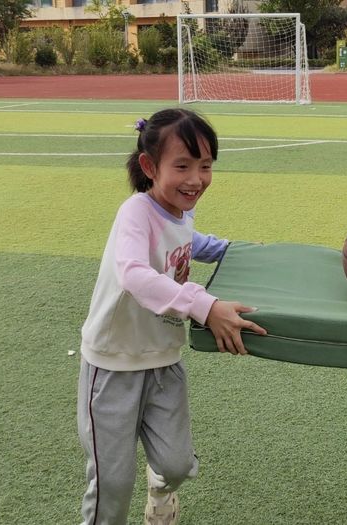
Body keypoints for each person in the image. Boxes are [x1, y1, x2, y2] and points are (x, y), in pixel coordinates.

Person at [77, 108, 266, 525]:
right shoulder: (135, 212)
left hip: (164, 360)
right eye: (182, 166)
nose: (196, 179)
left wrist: (231, 250)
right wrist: (205, 305)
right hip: (113, 366)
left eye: (205, 166)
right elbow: (133, 273)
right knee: (113, 484)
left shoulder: (180, 209)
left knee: (177, 465)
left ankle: (161, 491)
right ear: (150, 166)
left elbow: (184, 238)